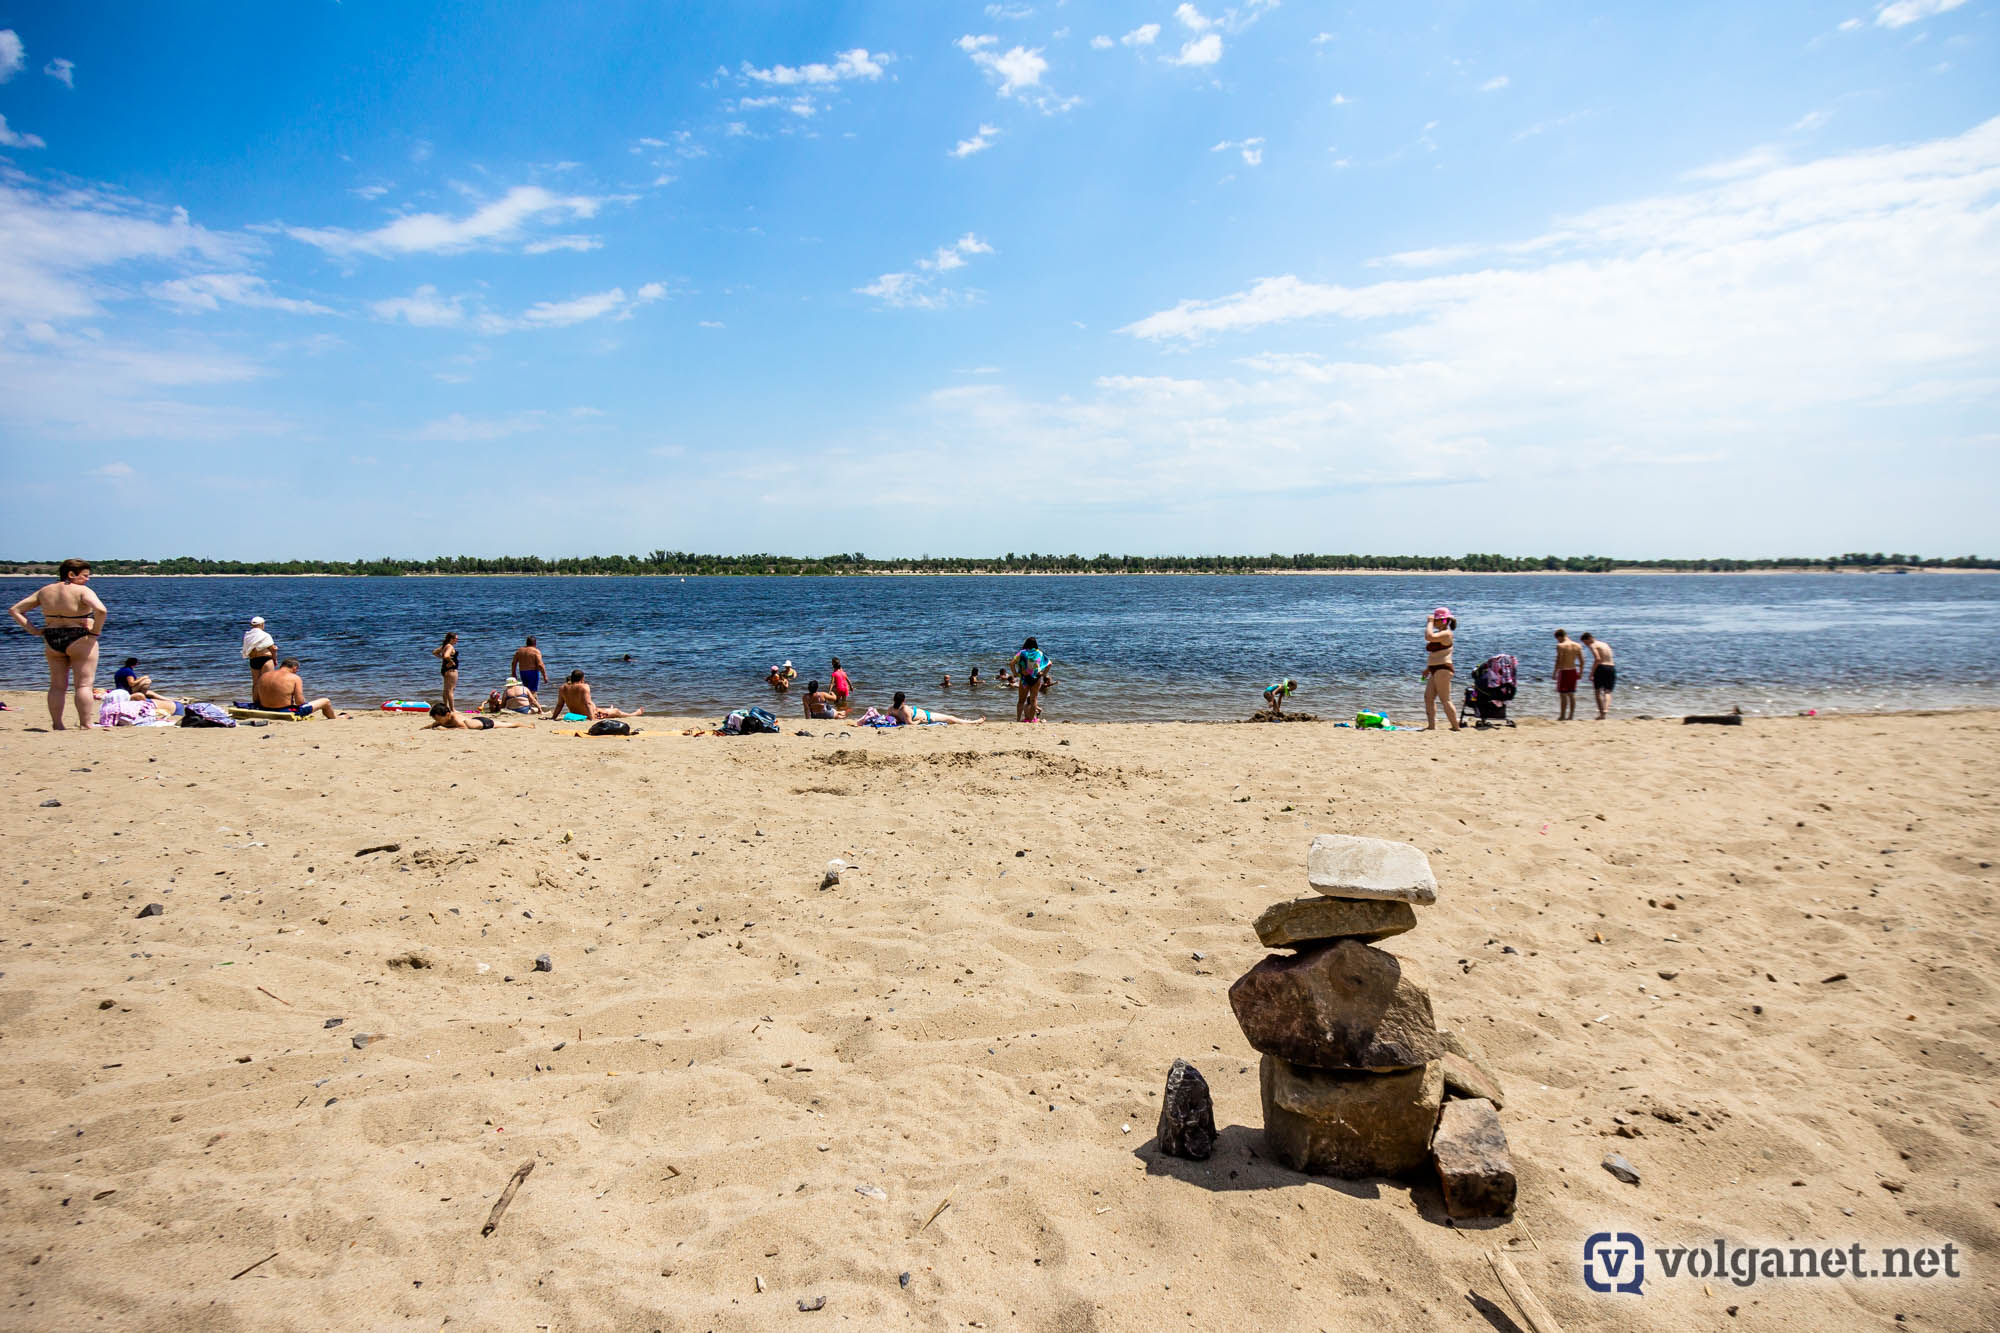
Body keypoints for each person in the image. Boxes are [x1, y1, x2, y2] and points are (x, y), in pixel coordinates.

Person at [9, 558, 108, 729]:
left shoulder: (45, 591)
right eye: (84, 576)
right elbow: (101, 610)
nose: (87, 579)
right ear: (71, 574)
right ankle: (86, 723)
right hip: (79, 637)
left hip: (52, 637)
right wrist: (95, 632)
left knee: (57, 685)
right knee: (84, 684)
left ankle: (57, 724)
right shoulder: (82, 591)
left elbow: (15, 610)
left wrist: (33, 629)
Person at [254, 658, 340, 719]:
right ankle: (334, 718)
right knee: (326, 701)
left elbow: (256, 699)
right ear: (294, 667)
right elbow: (300, 702)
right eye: (297, 669)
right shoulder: (295, 678)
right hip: (284, 711)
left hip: (264, 708)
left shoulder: (264, 676)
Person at [553, 669, 642, 722]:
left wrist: (553, 718)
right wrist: (592, 719)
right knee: (616, 711)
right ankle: (633, 714)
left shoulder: (562, 688)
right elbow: (587, 703)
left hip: (576, 714)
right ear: (582, 678)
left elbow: (560, 705)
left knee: (601, 708)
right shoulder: (584, 687)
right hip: (589, 715)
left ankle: (607, 710)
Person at [1423, 607, 1459, 732]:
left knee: (1445, 699)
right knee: (1428, 697)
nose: (1435, 622)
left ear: (1444, 621)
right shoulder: (1440, 634)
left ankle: (1455, 726)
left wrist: (1429, 622)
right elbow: (1435, 653)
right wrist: (1427, 669)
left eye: (1437, 620)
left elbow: (1429, 636)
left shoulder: (1447, 633)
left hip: (1443, 669)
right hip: (1434, 669)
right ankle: (1431, 726)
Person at [1009, 637, 1050, 722]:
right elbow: (1049, 664)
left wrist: (1015, 673)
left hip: (1024, 679)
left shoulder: (1022, 653)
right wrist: (1044, 674)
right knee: (1033, 700)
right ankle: (1031, 720)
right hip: (1036, 679)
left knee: (1021, 701)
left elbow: (1012, 663)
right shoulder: (1039, 653)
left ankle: (1018, 719)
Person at [887, 691, 983, 726]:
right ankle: (974, 722)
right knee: (951, 718)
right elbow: (910, 724)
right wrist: (919, 720)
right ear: (904, 700)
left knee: (951, 719)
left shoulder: (891, 708)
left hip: (927, 715)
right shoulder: (905, 710)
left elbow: (890, 717)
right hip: (929, 717)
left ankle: (968, 721)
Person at [1581, 633, 1616, 719]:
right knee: (1608, 691)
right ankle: (1605, 711)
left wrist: (1591, 673)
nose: (1586, 645)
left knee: (1597, 691)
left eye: (1585, 643)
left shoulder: (1593, 645)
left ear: (1589, 639)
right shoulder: (1604, 644)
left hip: (1601, 667)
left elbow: (1597, 659)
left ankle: (1601, 713)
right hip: (1611, 667)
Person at [1553, 629, 1585, 722]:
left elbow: (1559, 660)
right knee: (1571, 693)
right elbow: (1582, 661)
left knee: (1563, 695)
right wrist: (1580, 672)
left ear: (1560, 637)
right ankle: (1571, 716)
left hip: (1564, 671)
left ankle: (1562, 715)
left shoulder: (1560, 645)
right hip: (1573, 670)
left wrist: (1555, 672)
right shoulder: (1577, 645)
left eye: (1557, 639)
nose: (1557, 641)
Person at [425, 702, 528, 731]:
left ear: (447, 714)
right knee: (503, 724)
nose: (438, 721)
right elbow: (434, 724)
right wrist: (425, 728)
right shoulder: (443, 720)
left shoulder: (455, 718)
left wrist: (446, 730)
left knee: (504, 725)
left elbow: (463, 728)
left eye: (439, 718)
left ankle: (520, 724)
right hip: (475, 720)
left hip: (484, 723)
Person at [241, 615, 275, 680]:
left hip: (253, 660)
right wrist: (275, 659)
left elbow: (247, 649)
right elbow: (273, 648)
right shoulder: (265, 635)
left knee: (256, 682)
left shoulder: (248, 635)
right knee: (267, 681)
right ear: (262, 624)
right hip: (265, 659)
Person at [433, 632, 460, 713]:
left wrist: (442, 658)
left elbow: (435, 652)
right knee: (451, 690)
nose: (457, 640)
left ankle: (445, 707)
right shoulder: (450, 646)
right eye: (456, 639)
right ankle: (452, 709)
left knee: (446, 689)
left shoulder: (445, 646)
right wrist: (451, 661)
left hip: (444, 669)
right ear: (451, 639)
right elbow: (446, 656)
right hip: (451, 670)